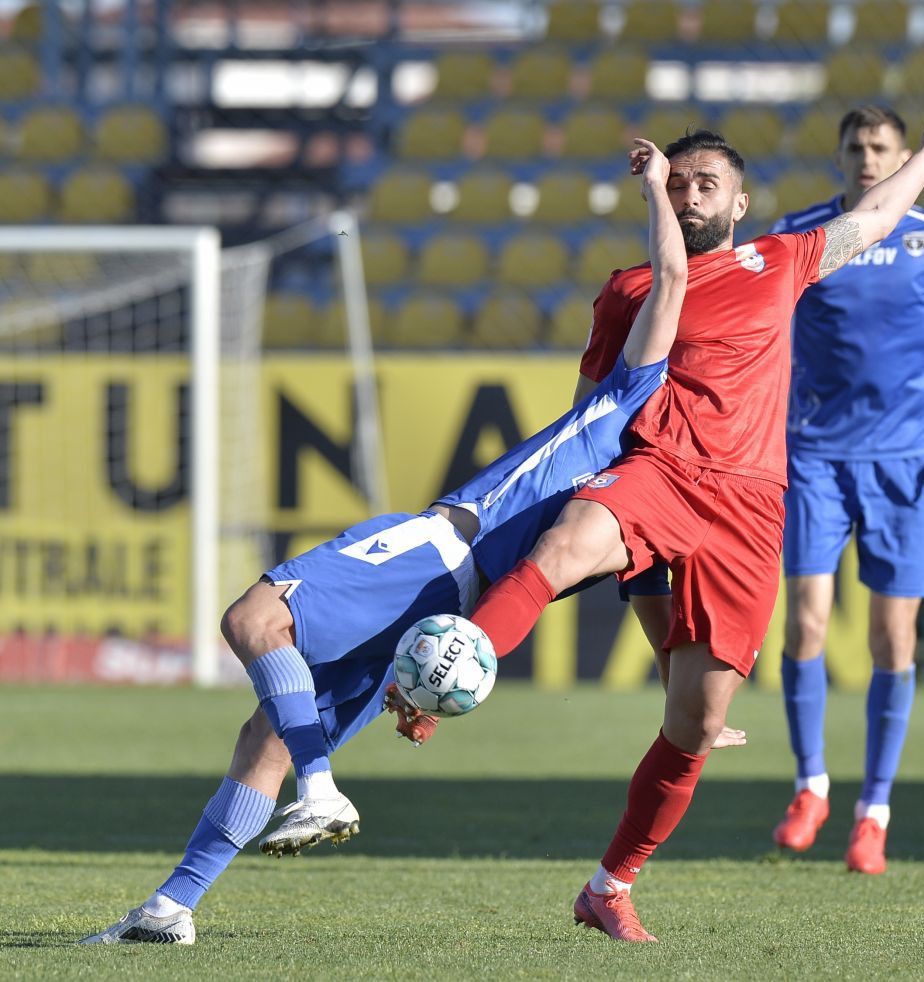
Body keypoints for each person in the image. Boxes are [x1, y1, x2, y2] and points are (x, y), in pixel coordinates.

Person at [79, 137, 689, 945]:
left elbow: (674, 277)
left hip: (434, 552)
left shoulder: (623, 406)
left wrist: (653, 189)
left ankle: (323, 787)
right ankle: (171, 908)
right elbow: (611, 584)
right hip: (445, 617)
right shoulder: (640, 499)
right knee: (268, 732)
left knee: (254, 623)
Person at [463, 101, 924, 943]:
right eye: (679, 181)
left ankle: (609, 885)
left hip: (750, 509)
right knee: (564, 545)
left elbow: (877, 216)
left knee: (693, 721)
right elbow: (591, 411)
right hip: (657, 471)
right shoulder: (629, 289)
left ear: (739, 206)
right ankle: (448, 670)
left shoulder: (784, 259)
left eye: (708, 184)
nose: (692, 194)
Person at [768, 104, 924, 876]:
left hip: (903, 465)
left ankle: (874, 811)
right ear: (839, 154)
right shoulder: (808, 236)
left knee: (894, 639)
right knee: (807, 622)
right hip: (816, 456)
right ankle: (810, 785)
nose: (866, 157)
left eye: (880, 146)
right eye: (855, 145)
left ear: (901, 155)